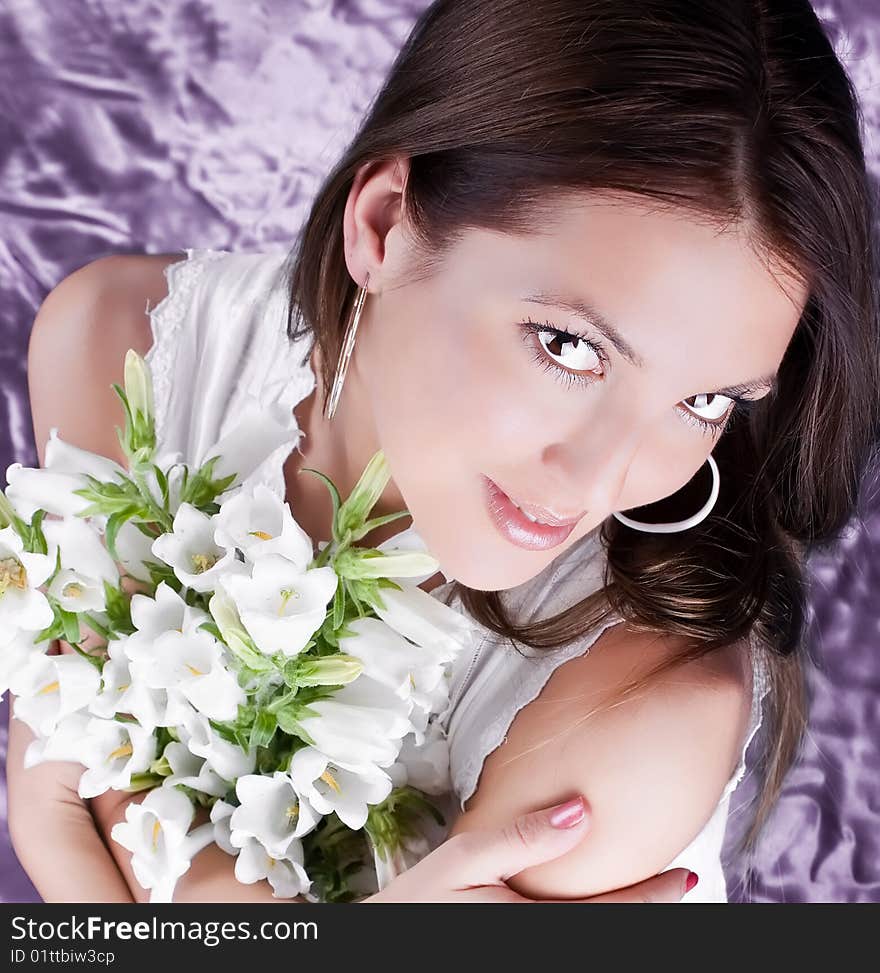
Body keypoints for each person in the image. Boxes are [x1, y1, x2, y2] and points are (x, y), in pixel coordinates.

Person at [7, 0, 880, 903]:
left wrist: (88, 837)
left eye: (704, 401)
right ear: (383, 222)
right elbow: (68, 809)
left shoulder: (649, 711)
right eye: (569, 347)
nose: (598, 478)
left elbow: (81, 805)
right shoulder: (127, 349)